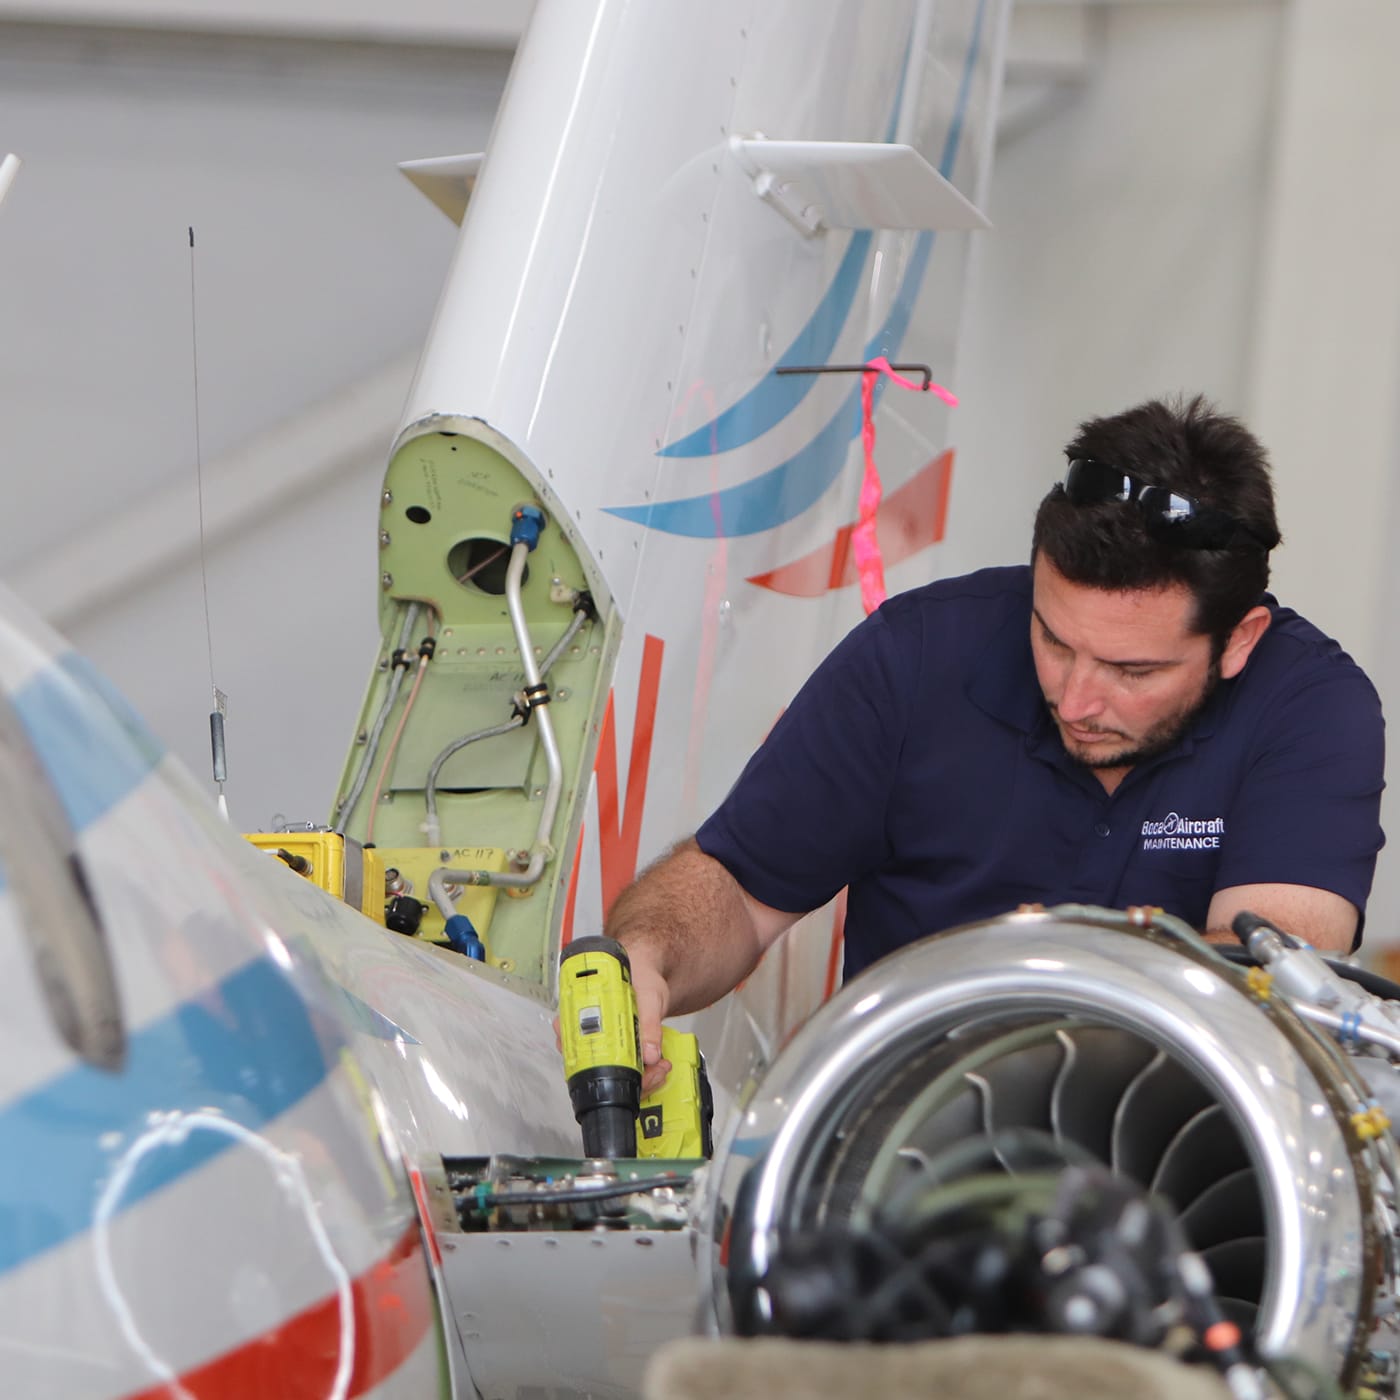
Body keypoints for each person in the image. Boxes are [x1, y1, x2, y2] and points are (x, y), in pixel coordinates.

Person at [606, 396, 1386, 1086]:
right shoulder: (916, 658)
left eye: (1131, 670)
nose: (1076, 701)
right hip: (901, 1144)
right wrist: (649, 954)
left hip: (1181, 1149)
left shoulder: (1311, 708)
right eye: (1053, 639)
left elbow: (1265, 983)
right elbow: (739, 892)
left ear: (1239, 641)